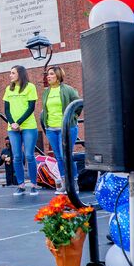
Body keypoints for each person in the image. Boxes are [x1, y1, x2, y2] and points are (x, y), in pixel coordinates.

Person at [40, 66, 82, 194]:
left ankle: (74, 184)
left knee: (66, 156)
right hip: (51, 129)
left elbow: (79, 104)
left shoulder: (68, 90)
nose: (48, 76)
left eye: (51, 74)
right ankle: (64, 184)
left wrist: (73, 116)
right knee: (58, 157)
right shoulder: (46, 92)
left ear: (58, 76)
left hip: (67, 128)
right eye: (48, 74)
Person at [3, 65, 39, 196]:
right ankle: (21, 185)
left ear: (20, 74)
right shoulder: (8, 89)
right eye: (10, 73)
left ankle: (34, 184)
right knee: (17, 156)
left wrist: (19, 122)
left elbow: (31, 108)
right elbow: (6, 109)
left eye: (13, 73)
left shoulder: (30, 87)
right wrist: (12, 123)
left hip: (28, 126)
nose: (10, 75)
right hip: (12, 128)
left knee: (29, 155)